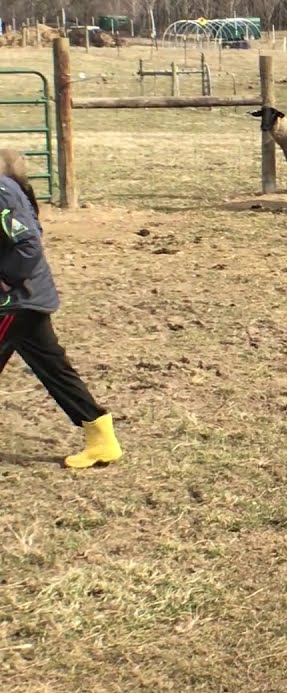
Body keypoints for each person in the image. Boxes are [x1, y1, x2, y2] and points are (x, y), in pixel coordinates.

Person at [0, 155, 122, 469]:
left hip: (16, 302)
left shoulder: (1, 191)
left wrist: (5, 278)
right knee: (55, 370)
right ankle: (101, 439)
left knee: (55, 369)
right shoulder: (10, 189)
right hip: (28, 301)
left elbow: (28, 243)